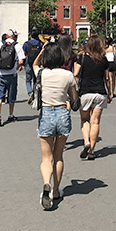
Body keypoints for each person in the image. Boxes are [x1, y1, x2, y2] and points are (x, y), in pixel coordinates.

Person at [32, 38, 78, 210]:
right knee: (58, 155)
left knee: (46, 157)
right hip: (62, 112)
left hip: (46, 114)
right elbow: (74, 99)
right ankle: (57, 190)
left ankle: (46, 185)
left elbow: (34, 64)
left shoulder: (41, 73)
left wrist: (42, 50)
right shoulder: (67, 75)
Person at [74, 35, 113, 160]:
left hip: (85, 92)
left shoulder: (83, 58)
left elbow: (75, 74)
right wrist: (110, 92)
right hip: (100, 93)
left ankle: (86, 142)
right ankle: (91, 150)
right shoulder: (103, 59)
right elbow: (107, 78)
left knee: (85, 120)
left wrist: (74, 90)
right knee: (95, 121)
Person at [0, 31, 25, 126]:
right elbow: (21, 61)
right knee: (12, 95)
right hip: (11, 75)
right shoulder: (17, 46)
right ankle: (11, 114)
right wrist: (15, 68)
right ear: (14, 37)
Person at [23, 31, 43, 96]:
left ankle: (30, 92)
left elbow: (23, 54)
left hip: (28, 63)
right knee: (35, 79)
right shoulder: (40, 43)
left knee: (28, 80)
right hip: (37, 64)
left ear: (30, 36)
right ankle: (34, 93)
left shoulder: (26, 44)